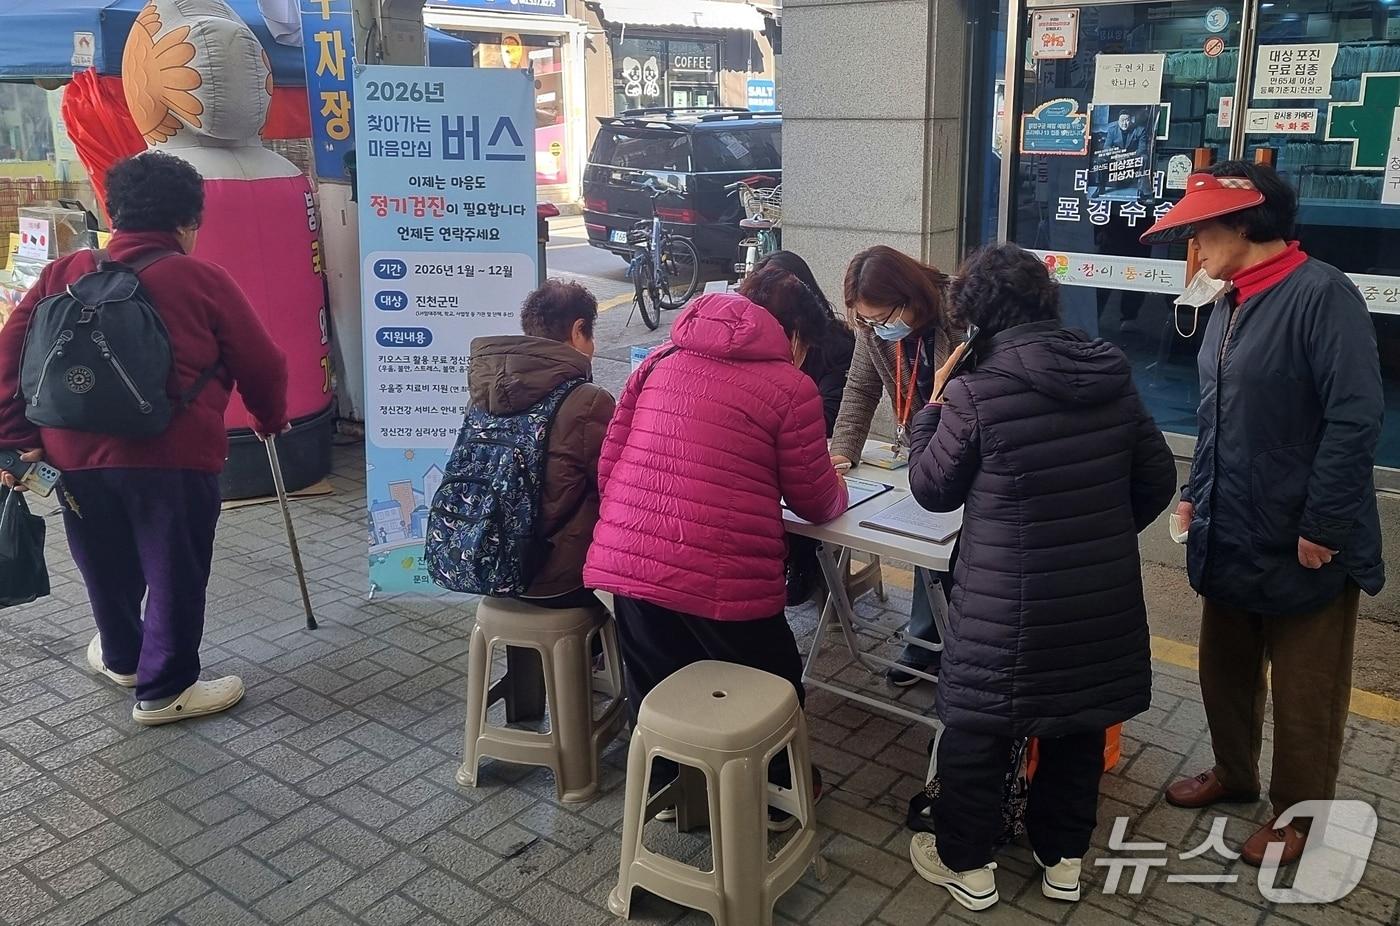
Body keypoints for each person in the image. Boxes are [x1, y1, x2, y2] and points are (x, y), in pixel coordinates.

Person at [905, 242, 1176, 911]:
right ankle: (1062, 863)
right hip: (1097, 598)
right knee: (1076, 723)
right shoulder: (1112, 371)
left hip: (1004, 605)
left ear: (976, 320)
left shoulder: (973, 392)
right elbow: (1157, 480)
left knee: (979, 728)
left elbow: (933, 489)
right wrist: (1097, 538)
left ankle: (968, 869)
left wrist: (930, 412)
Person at [1141, 163, 1385, 866]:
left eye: (1201, 229)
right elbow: (1218, 413)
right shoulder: (1229, 298)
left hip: (1302, 537)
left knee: (1307, 693)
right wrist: (1196, 490)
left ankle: (1302, 819)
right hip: (1231, 525)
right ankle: (1235, 773)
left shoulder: (1322, 295)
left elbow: (1354, 418)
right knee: (1225, 669)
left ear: (1245, 223)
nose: (1194, 246)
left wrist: (1324, 527)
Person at [0, 151, 288, 725]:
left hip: (71, 456)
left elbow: (9, 354)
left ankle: (124, 659)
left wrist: (15, 438)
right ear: (187, 223)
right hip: (172, 455)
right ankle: (166, 688)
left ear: (116, 211)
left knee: (103, 562)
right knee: (173, 566)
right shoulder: (200, 277)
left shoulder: (65, 271)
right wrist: (269, 420)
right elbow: (264, 364)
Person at [584, 287, 847, 819]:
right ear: (789, 336)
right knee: (772, 680)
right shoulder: (789, 386)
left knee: (656, 675)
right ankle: (779, 796)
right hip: (723, 572)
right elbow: (816, 502)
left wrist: (632, 533)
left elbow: (611, 460)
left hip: (629, 557)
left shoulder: (658, 361)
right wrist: (839, 485)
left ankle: (667, 787)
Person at [830, 244, 954, 685]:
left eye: (883, 319)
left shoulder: (958, 312)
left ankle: (948, 651)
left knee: (956, 551)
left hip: (965, 442)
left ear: (910, 298)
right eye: (866, 320)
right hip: (923, 448)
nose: (877, 329)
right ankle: (924, 645)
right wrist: (842, 450)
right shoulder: (872, 331)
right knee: (924, 539)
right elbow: (860, 390)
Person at [465, 279, 615, 609]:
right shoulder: (588, 402)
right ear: (579, 329)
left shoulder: (483, 390)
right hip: (561, 577)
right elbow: (615, 486)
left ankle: (533, 660)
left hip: (489, 560)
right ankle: (590, 658)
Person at [743, 251, 854, 603]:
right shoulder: (751, 357)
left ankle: (806, 571)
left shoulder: (831, 343)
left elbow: (833, 412)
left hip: (822, 449)